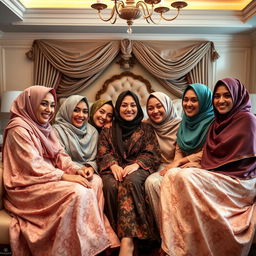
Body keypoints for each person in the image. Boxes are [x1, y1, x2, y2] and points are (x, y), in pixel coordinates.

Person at [3, 86, 116, 256]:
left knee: (93, 182)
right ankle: (69, 249)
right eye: (44, 104)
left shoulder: (44, 126)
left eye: (51, 105)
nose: (49, 110)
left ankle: (88, 246)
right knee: (78, 191)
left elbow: (59, 155)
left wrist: (77, 171)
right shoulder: (18, 129)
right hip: (26, 185)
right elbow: (32, 165)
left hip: (46, 177)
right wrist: (65, 176)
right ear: (31, 103)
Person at [160, 78, 256, 256]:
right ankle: (176, 244)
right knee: (171, 175)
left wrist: (190, 166)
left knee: (183, 176)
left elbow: (234, 160)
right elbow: (209, 156)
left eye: (227, 96)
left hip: (239, 181)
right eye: (217, 96)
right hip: (219, 175)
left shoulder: (247, 120)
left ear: (237, 97)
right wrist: (188, 165)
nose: (221, 100)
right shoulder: (218, 123)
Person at [96, 90, 161, 256]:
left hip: (138, 169)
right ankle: (113, 239)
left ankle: (130, 240)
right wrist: (113, 165)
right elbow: (103, 152)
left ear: (138, 108)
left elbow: (152, 152)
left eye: (133, 105)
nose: (129, 109)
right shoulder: (108, 129)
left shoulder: (146, 128)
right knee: (109, 185)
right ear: (118, 108)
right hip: (114, 168)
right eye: (124, 105)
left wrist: (137, 165)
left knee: (130, 181)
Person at [53, 95, 120, 250]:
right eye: (76, 110)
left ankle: (94, 235)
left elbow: (95, 157)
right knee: (88, 185)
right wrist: (78, 170)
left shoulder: (93, 132)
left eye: (84, 111)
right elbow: (58, 158)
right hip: (66, 171)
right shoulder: (56, 131)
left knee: (96, 181)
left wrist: (89, 167)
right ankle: (100, 232)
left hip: (86, 170)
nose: (81, 115)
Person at [144, 92, 181, 229]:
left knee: (152, 182)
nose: (155, 111)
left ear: (168, 106)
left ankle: (170, 231)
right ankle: (155, 233)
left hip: (176, 165)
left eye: (159, 106)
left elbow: (182, 154)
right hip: (153, 165)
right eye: (150, 108)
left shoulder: (181, 125)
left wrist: (173, 166)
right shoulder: (146, 125)